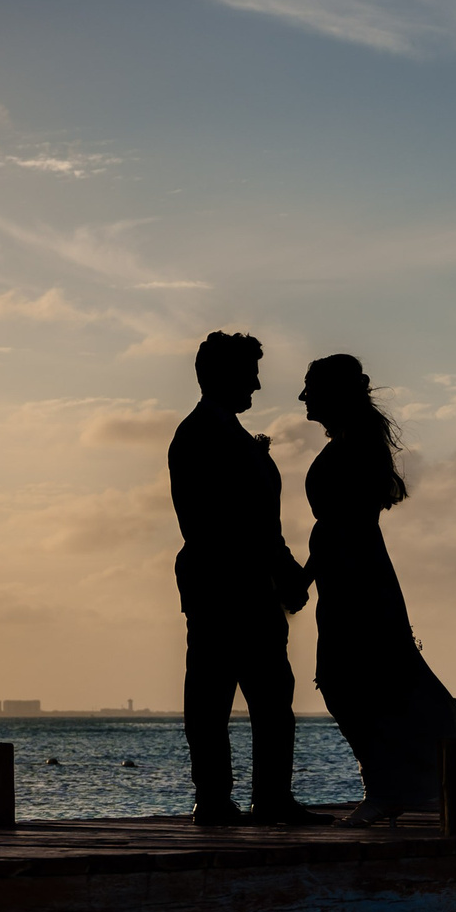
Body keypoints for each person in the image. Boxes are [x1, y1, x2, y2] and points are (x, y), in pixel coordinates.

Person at [299, 353, 456, 826]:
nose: (302, 398)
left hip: (355, 572)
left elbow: (343, 523)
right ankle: (396, 784)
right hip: (349, 570)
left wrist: (306, 575)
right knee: (362, 677)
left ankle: (389, 787)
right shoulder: (355, 442)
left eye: (310, 389)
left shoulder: (355, 446)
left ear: (333, 394)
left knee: (354, 677)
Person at [168, 331, 321, 827]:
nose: (257, 384)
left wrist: (283, 571)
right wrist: (285, 570)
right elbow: (234, 524)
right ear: (221, 376)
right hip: (223, 586)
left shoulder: (223, 434)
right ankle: (218, 798)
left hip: (249, 585)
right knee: (216, 697)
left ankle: (264, 796)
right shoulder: (201, 436)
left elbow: (259, 526)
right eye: (250, 373)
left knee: (270, 697)